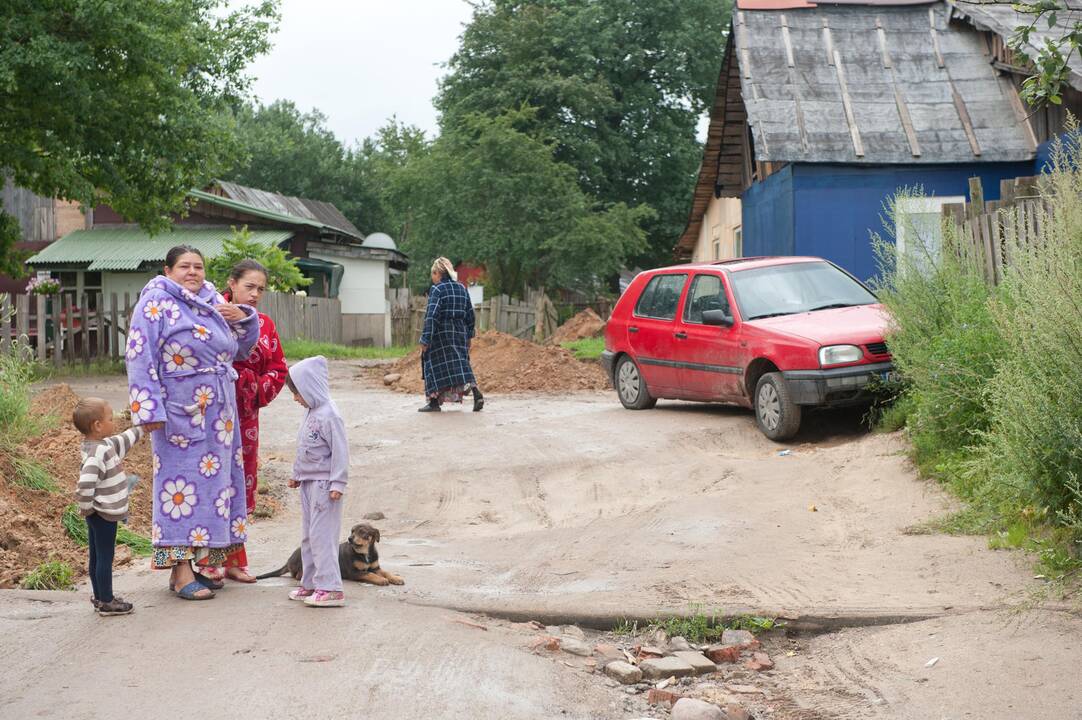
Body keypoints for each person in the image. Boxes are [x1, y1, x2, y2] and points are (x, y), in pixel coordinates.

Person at [123, 245, 260, 601]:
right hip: (180, 410)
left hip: (219, 413)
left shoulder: (213, 300)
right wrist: (148, 410)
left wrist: (243, 318)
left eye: (198, 266)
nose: (193, 272)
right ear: (168, 270)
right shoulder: (155, 303)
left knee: (214, 491)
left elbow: (241, 350)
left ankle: (201, 563)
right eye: (184, 266)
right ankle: (180, 572)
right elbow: (139, 355)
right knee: (178, 491)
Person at [201, 259, 286, 585]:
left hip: (246, 416)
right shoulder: (208, 314)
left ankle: (235, 560)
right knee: (213, 483)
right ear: (232, 283)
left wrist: (253, 389)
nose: (254, 294)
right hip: (211, 413)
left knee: (240, 484)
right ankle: (210, 560)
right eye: (249, 286)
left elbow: (278, 368)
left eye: (260, 289)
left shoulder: (263, 324)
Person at [74, 397, 160, 616]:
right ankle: (107, 600)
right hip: (103, 514)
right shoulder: (97, 453)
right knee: (104, 557)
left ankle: (100, 597)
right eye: (110, 419)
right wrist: (86, 508)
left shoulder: (101, 445)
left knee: (96, 556)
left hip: (98, 513)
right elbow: (85, 483)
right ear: (97, 425)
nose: (114, 423)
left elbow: (124, 439)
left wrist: (143, 429)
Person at [284, 355, 349, 607]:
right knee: (309, 536)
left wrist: (338, 483)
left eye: (297, 392)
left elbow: (341, 451)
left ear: (310, 387)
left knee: (323, 537)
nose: (295, 398)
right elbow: (304, 446)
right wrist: (296, 474)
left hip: (325, 487)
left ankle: (331, 587)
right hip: (310, 484)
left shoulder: (330, 415)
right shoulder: (312, 412)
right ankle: (310, 582)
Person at [418, 257, 483, 413]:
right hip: (459, 332)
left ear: (438, 273)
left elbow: (432, 316)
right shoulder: (462, 288)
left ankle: (434, 402)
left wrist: (426, 339)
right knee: (461, 363)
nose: (432, 278)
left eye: (432, 274)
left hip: (441, 333)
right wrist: (468, 336)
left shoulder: (437, 289)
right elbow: (470, 315)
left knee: (429, 361)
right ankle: (476, 392)